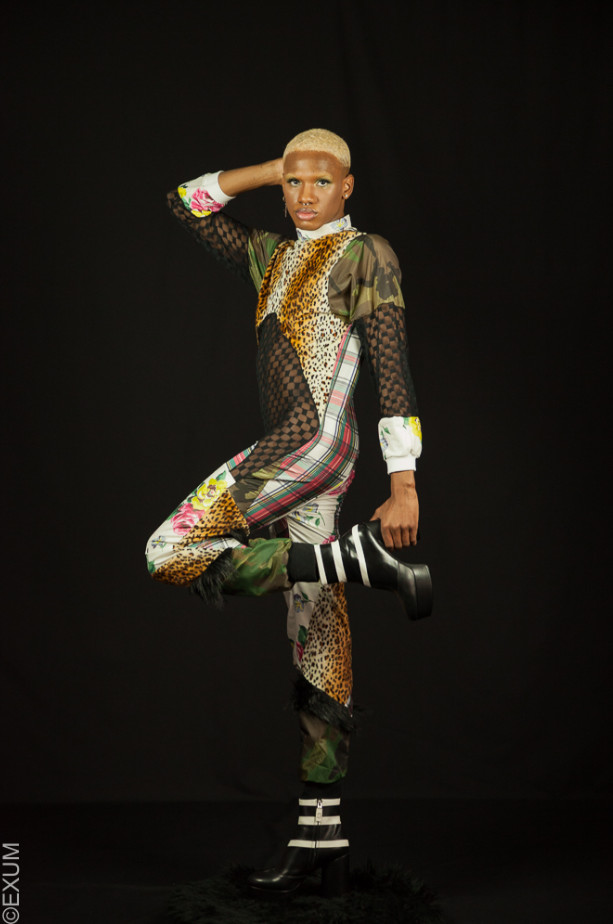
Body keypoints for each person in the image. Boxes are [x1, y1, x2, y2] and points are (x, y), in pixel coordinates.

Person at [145, 128, 432, 897]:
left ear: (348, 186)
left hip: (309, 446)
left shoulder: (365, 253)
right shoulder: (268, 255)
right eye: (292, 182)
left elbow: (393, 368)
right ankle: (320, 833)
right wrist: (271, 167)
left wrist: (403, 483)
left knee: (169, 551)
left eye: (319, 181)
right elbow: (185, 202)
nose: (304, 194)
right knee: (317, 632)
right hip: (306, 460)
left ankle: (354, 559)